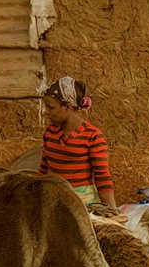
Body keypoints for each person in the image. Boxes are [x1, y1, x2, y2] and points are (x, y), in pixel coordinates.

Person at [39, 75, 116, 209]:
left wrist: (113, 211)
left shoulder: (93, 136)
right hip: (52, 199)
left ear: (67, 107)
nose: (46, 112)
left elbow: (102, 177)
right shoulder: (50, 132)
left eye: (50, 107)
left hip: (82, 203)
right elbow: (43, 169)